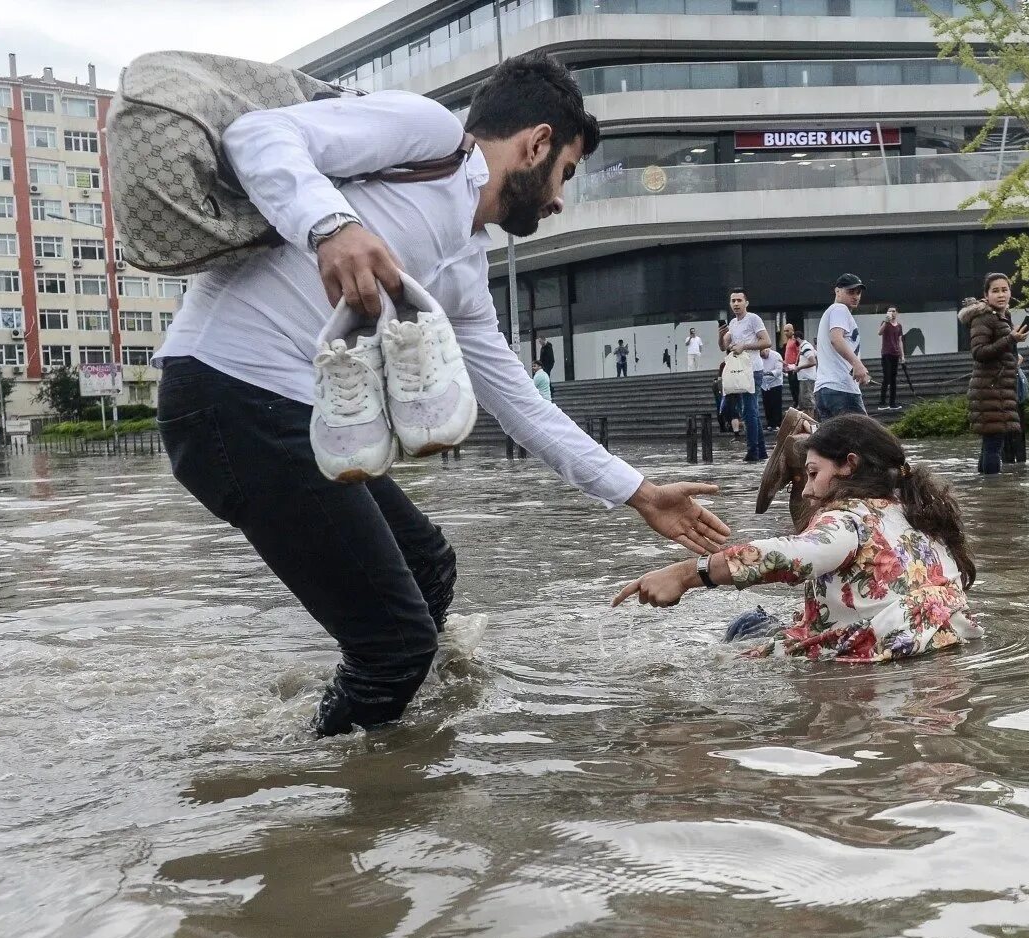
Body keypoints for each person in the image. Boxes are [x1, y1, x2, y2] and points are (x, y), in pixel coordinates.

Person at [153, 55, 730, 738]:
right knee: (395, 646)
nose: (558, 200)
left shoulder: (463, 264)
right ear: (536, 144)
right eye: (565, 174)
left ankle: (387, 737)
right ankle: (330, 797)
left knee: (428, 566)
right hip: (228, 397)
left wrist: (636, 490)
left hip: (294, 418)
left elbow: (520, 402)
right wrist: (331, 227)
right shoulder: (425, 131)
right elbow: (254, 135)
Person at [613, 414, 980, 663]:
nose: (806, 491)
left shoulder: (849, 520)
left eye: (813, 473)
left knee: (747, 625)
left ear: (849, 465)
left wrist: (686, 574)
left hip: (873, 659)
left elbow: (791, 555)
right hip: (940, 650)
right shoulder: (921, 513)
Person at [959, 272, 1027, 475]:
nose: (1001, 294)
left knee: (990, 446)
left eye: (1004, 290)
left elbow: (998, 352)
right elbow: (979, 352)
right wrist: (1011, 340)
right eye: (995, 291)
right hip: (990, 390)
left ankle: (987, 491)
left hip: (997, 388)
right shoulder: (984, 318)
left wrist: (1014, 358)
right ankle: (993, 494)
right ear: (986, 295)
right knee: (993, 447)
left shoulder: (1002, 316)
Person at [718, 288, 769, 462]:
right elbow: (724, 346)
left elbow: (766, 341)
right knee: (749, 411)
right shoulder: (733, 323)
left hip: (753, 369)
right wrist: (721, 336)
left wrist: (744, 346)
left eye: (739, 300)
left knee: (749, 411)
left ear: (746, 302)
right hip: (740, 371)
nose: (736, 304)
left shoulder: (753, 319)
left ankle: (753, 451)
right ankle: (760, 451)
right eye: (733, 301)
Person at [813, 273, 871, 420]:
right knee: (865, 439)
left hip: (823, 390)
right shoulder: (839, 309)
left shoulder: (831, 313)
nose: (856, 296)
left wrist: (856, 368)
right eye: (850, 291)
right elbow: (836, 339)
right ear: (837, 291)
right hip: (841, 389)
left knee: (834, 442)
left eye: (858, 292)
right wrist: (857, 364)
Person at [877, 306, 905, 410]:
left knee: (893, 379)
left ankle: (892, 403)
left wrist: (902, 355)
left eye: (893, 311)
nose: (892, 313)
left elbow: (900, 341)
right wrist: (886, 321)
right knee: (886, 377)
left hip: (895, 354)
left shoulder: (899, 326)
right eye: (889, 311)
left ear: (897, 313)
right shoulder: (885, 323)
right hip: (886, 353)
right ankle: (882, 403)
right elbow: (879, 333)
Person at [759, 344, 786, 429]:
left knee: (776, 404)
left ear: (766, 350)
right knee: (767, 404)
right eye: (761, 356)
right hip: (764, 384)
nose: (763, 357)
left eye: (763, 355)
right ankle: (770, 423)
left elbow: (778, 370)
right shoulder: (759, 357)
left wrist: (767, 373)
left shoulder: (776, 355)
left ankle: (777, 423)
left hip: (775, 383)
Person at [781, 323, 802, 407]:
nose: (786, 333)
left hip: (794, 368)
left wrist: (796, 365)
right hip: (789, 368)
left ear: (792, 330)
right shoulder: (789, 340)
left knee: (795, 388)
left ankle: (798, 404)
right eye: (784, 331)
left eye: (787, 331)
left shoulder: (795, 340)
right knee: (792, 388)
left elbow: (799, 353)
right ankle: (795, 403)